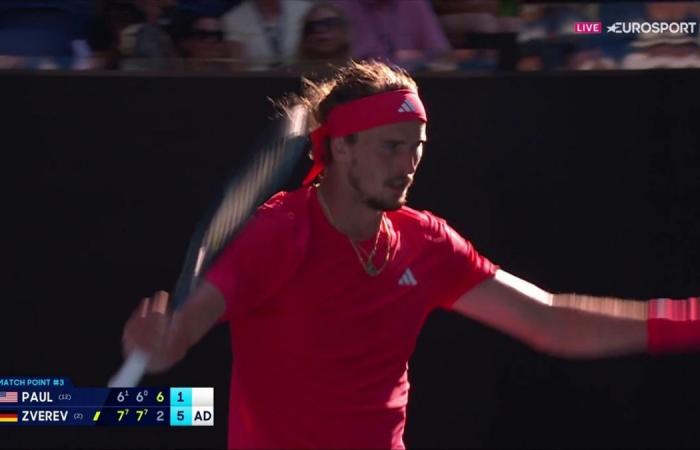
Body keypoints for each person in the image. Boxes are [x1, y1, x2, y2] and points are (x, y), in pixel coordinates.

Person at [122, 60, 700, 449]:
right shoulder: (281, 233)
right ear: (341, 146)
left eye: (416, 148)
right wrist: (168, 340)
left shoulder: (426, 243)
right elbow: (191, 322)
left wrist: (689, 323)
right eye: (391, 146)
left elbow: (549, 321)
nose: (408, 164)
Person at [221, 0, 314, 69]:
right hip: (255, 84)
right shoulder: (233, 19)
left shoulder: (305, 9)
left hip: (301, 80)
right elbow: (237, 69)